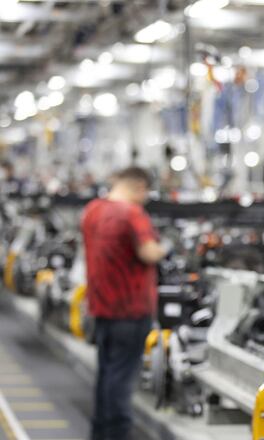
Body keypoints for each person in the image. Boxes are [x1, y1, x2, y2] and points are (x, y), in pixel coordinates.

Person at [81, 167, 167, 440]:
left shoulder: (92, 210)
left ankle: (99, 434)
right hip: (130, 312)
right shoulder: (132, 213)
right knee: (122, 382)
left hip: (101, 307)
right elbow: (149, 252)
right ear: (140, 186)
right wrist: (166, 247)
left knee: (107, 376)